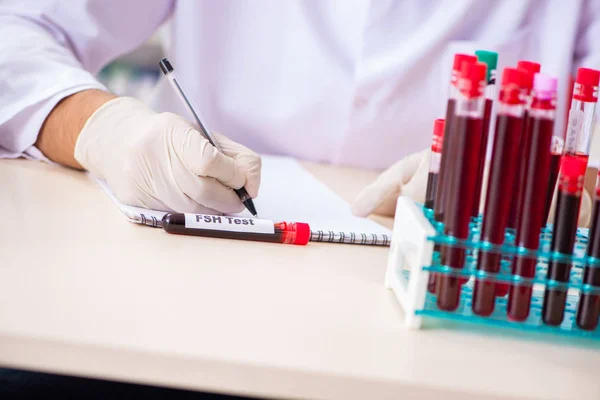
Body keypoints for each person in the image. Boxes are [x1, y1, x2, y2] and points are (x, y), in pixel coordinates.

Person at [1, 0, 599, 219]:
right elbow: (18, 27)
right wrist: (99, 128)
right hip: (190, 251)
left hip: (453, 282)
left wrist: (527, 183)